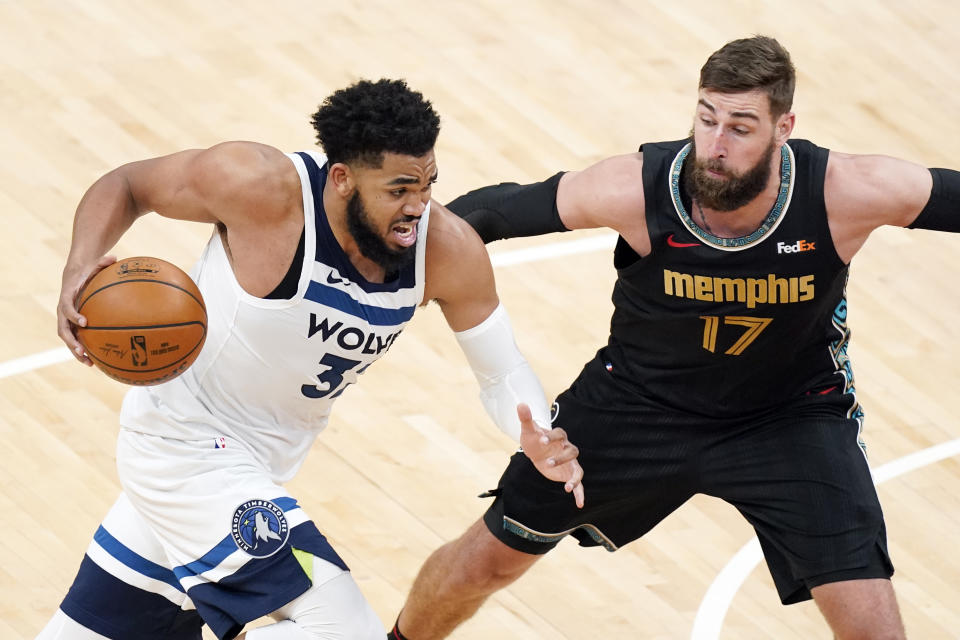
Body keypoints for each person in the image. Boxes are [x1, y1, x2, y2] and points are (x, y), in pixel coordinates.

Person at [389, 36, 960, 640]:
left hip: (791, 417)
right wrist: (392, 254)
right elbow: (495, 213)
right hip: (637, 403)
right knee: (484, 562)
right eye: (707, 118)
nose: (715, 145)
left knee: (873, 625)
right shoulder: (635, 188)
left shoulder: (844, 192)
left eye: (741, 128)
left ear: (783, 127)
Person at [42, 78, 584, 640]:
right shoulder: (258, 188)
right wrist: (79, 263)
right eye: (399, 189)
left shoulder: (447, 250)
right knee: (342, 630)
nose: (418, 207)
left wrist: (537, 432)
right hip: (182, 445)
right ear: (343, 178)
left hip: (260, 467)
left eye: (427, 184)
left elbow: (500, 370)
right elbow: (128, 184)